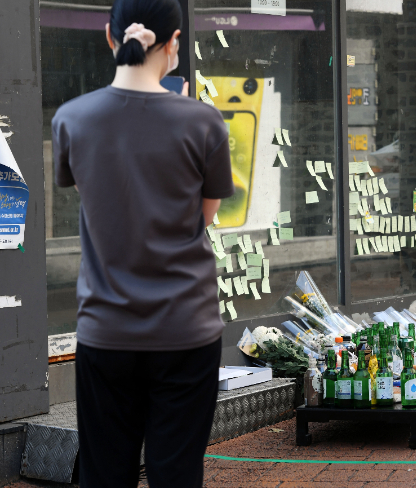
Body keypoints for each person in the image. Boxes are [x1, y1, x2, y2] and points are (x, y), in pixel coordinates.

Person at [51, 0, 234, 486]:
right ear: (173, 44)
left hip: (106, 328)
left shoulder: (71, 118)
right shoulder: (204, 123)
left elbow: (89, 191)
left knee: (104, 473)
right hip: (186, 328)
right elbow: (203, 217)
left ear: (110, 39)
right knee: (175, 473)